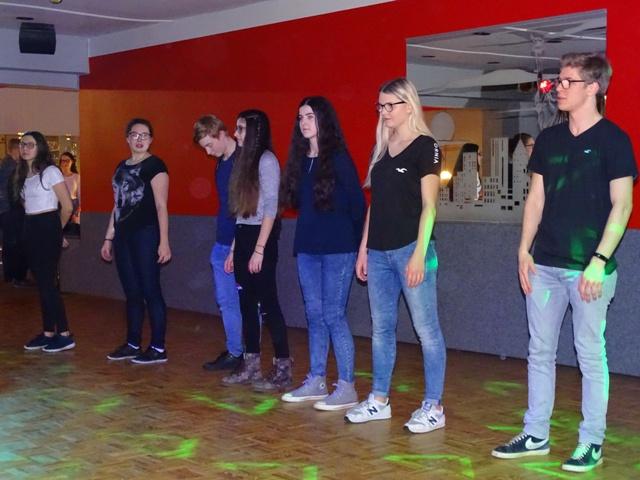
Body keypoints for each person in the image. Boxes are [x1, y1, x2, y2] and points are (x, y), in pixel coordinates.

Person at [492, 53, 636, 473]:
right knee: (539, 351)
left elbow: (622, 206)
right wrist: (524, 249)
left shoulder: (614, 140)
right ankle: (535, 434)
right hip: (545, 266)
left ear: (594, 88)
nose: (559, 88)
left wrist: (599, 261)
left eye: (568, 81)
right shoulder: (549, 140)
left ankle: (592, 442)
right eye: (559, 80)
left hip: (589, 269)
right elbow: (536, 199)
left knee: (590, 355)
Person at [344, 78, 447, 434]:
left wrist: (419, 253)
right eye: (381, 106)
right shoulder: (382, 148)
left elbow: (430, 206)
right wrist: (364, 248)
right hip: (379, 252)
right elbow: (376, 204)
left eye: (390, 105)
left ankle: (434, 406)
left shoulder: (426, 147)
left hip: (411, 249)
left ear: (408, 105)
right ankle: (379, 399)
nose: (384, 112)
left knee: (426, 330)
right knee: (381, 329)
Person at [279, 96, 366, 410]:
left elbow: (358, 205)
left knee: (333, 315)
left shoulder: (338, 157)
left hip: (338, 248)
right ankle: (317, 379)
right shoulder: (300, 160)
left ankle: (347, 386)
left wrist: (359, 249)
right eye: (300, 117)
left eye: (310, 116)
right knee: (314, 314)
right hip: (307, 247)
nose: (304, 122)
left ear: (323, 120)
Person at [222, 109, 292, 391]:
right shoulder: (243, 162)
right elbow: (242, 212)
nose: (235, 133)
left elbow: (271, 207)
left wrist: (260, 249)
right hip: (244, 235)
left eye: (240, 128)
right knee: (246, 303)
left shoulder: (267, 160)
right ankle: (250, 363)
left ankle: (283, 367)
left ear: (255, 131)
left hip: (262, 236)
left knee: (268, 303)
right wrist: (233, 250)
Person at [101, 118, 172, 364]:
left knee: (150, 290)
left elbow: (162, 206)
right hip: (123, 235)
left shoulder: (155, 165)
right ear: (127, 138)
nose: (139, 139)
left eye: (145, 135)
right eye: (135, 134)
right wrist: (108, 237)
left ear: (151, 139)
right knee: (131, 292)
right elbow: (117, 205)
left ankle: (158, 348)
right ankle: (132, 343)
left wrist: (164, 241)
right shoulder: (121, 166)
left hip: (146, 234)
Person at [16, 131, 75, 352]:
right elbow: (27, 205)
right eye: (22, 144)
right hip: (31, 227)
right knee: (41, 284)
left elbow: (67, 207)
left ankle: (65, 334)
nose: (25, 148)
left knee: (48, 284)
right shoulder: (24, 174)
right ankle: (49, 331)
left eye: (30, 144)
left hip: (47, 226)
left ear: (40, 147)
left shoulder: (50, 172)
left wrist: (56, 233)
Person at [193, 115, 243, 371]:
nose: (208, 152)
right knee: (226, 301)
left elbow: (248, 209)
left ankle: (247, 354)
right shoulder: (221, 164)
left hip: (240, 243)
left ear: (221, 134)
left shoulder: (244, 161)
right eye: (204, 148)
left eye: (210, 145)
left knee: (247, 302)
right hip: (222, 241)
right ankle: (236, 351)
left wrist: (236, 245)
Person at [0, 138, 29, 286]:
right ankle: (17, 276)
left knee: (9, 243)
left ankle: (9, 275)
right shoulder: (12, 167)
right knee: (16, 243)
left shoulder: (4, 165)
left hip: (6, 210)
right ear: (16, 149)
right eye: (22, 148)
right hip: (12, 210)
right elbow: (15, 191)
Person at [59, 151, 81, 237]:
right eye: (62, 160)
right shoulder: (57, 176)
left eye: (67, 160)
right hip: (59, 206)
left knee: (73, 233)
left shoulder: (76, 177)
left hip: (73, 206)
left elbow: (80, 195)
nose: (64, 163)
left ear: (72, 162)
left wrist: (78, 210)